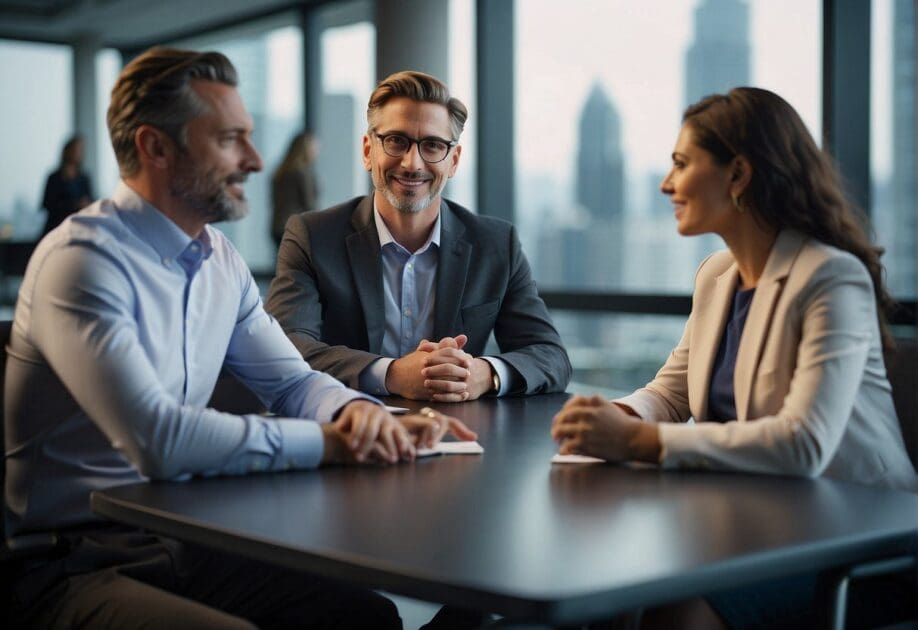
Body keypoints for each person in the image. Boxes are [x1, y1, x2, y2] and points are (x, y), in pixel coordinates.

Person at [5, 46, 475, 629]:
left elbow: (294, 383)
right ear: (155, 146)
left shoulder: (219, 261)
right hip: (69, 564)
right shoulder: (81, 261)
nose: (254, 159)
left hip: (182, 538)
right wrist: (335, 443)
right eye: (230, 139)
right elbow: (160, 440)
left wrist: (362, 414)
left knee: (365, 618)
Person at [552, 87, 917, 629]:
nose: (665, 183)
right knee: (610, 595)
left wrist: (638, 442)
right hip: (756, 526)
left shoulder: (831, 278)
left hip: (858, 544)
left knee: (671, 615)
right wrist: (613, 418)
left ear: (738, 175)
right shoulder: (717, 276)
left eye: (681, 164)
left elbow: (804, 443)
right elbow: (672, 393)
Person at [265, 70, 571, 402]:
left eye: (433, 146)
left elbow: (550, 355)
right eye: (396, 141)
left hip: (460, 437)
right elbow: (285, 348)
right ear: (369, 151)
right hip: (346, 430)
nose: (413, 163)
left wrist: (485, 374)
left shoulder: (496, 244)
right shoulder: (312, 237)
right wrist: (391, 374)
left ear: (453, 161)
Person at [271, 130, 319, 246]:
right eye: (314, 148)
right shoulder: (302, 173)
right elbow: (309, 204)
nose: (316, 152)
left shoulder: (280, 173)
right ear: (306, 149)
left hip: (278, 226)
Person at [41, 134, 93, 236]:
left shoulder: (84, 178)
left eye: (80, 150)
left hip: (77, 229)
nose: (78, 153)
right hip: (55, 229)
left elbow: (90, 201)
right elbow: (47, 204)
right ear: (67, 151)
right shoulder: (54, 177)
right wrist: (74, 205)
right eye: (75, 149)